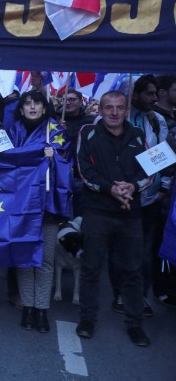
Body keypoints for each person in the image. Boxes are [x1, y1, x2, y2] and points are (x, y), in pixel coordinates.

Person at [75, 91, 153, 347]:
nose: (114, 112)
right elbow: (84, 170)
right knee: (91, 268)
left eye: (119, 107)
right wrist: (111, 189)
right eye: (109, 107)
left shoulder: (140, 135)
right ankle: (87, 319)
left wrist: (132, 187)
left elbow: (151, 169)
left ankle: (135, 324)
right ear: (100, 110)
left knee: (132, 270)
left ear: (126, 109)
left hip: (130, 212)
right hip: (97, 211)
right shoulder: (87, 133)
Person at [7, 90, 63, 333]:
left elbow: (69, 163)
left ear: (44, 107)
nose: (32, 107)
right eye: (27, 104)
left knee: (46, 260)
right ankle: (27, 306)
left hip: (46, 205)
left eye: (37, 103)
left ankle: (42, 309)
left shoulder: (56, 131)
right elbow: (0, 158)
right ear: (21, 110)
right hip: (19, 204)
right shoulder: (12, 131)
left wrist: (56, 157)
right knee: (24, 257)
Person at [115, 75, 171, 316]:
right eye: (148, 93)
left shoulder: (157, 121)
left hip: (148, 198)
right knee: (118, 249)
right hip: (116, 196)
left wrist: (161, 189)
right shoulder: (115, 118)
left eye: (155, 93)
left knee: (145, 251)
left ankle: (141, 297)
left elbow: (163, 158)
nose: (154, 98)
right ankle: (118, 294)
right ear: (134, 95)